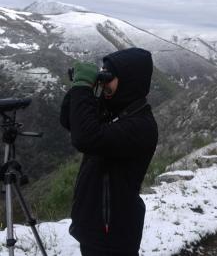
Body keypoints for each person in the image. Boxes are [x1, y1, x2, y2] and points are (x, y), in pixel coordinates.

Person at [60, 48, 158, 256]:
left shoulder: (141, 126)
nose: (104, 80)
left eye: (109, 76)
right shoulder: (115, 111)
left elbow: (84, 138)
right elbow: (69, 120)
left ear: (129, 80)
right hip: (95, 224)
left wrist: (83, 87)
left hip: (113, 233)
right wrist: (81, 85)